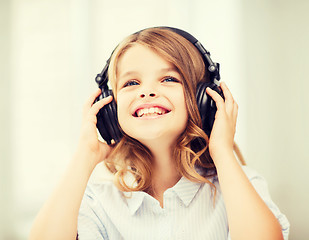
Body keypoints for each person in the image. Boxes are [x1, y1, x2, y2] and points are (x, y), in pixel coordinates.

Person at [29, 27, 289, 240]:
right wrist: (86, 155)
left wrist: (221, 150)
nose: (147, 91)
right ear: (111, 106)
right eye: (131, 83)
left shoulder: (240, 185)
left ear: (204, 100)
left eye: (169, 79)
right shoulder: (98, 201)